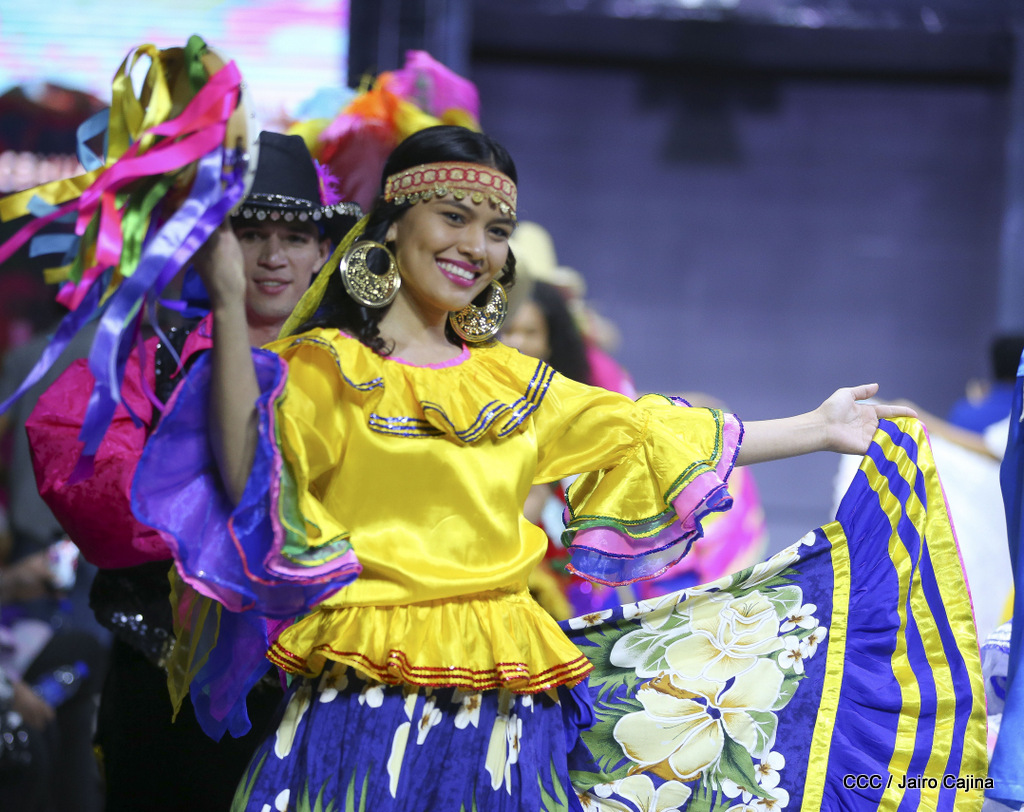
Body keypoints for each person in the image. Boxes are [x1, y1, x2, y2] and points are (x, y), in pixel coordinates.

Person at [128, 125, 981, 811]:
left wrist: (818, 427)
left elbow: (652, 433)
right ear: (393, 226)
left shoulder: (516, 384)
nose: (476, 246)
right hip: (361, 699)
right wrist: (231, 302)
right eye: (453, 217)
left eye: (495, 230)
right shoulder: (322, 369)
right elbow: (248, 477)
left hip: (506, 709)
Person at [25, 131, 362, 812]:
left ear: (323, 252)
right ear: (211, 245)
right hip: (164, 691)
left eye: (295, 237)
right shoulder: (151, 358)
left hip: (322, 687)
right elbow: (85, 483)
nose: (272, 257)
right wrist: (254, 532)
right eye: (250, 234)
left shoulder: (363, 372)